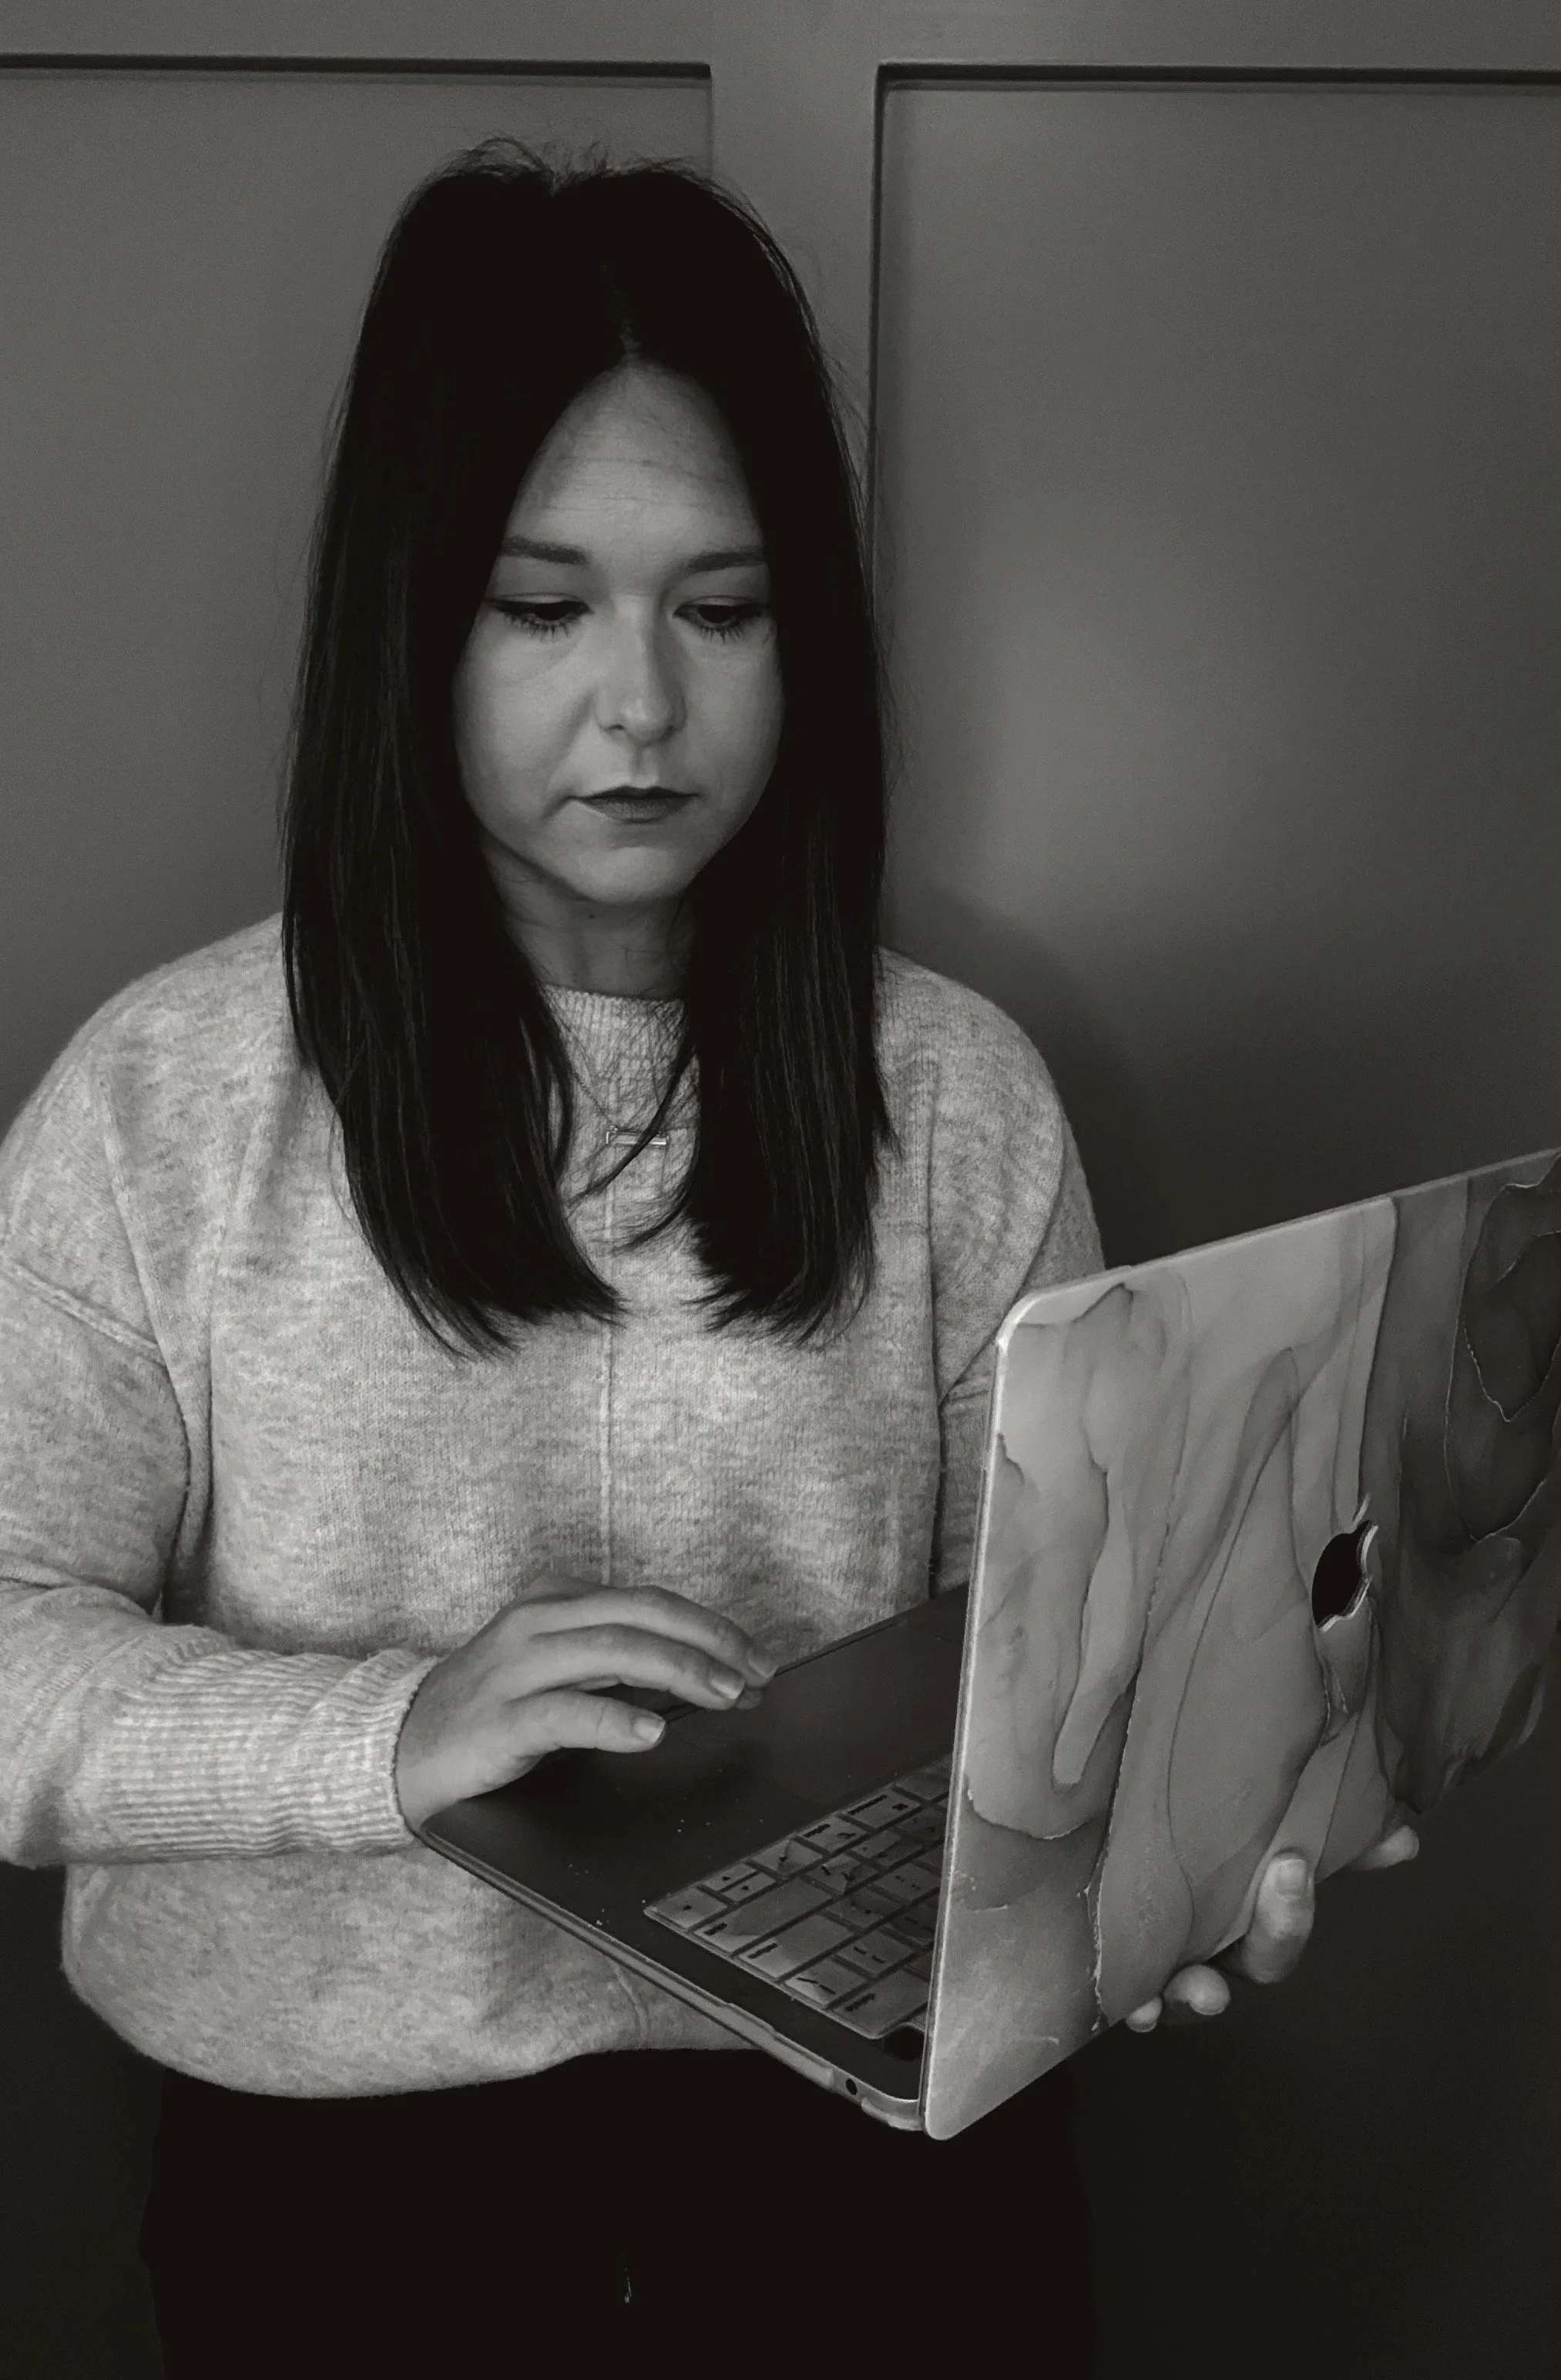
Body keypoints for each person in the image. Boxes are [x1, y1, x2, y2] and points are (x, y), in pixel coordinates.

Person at [0, 143, 1414, 2372]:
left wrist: (1168, 1862)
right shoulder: (161, 1101)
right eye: (541, 607)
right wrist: (398, 1735)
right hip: (338, 2209)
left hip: (882, 2192)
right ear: (408, 617)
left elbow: (1056, 1669)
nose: (640, 706)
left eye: (723, 609)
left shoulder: (955, 1097)